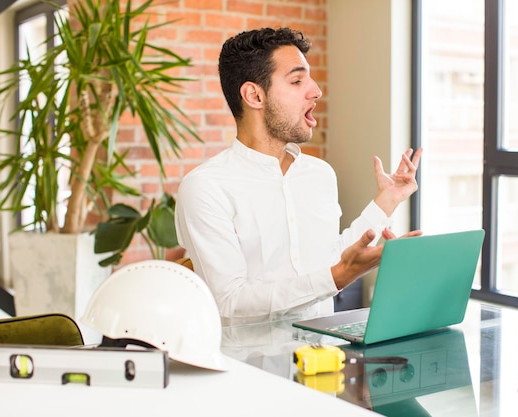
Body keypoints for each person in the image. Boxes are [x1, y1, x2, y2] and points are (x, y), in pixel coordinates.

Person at [175, 27, 422, 324]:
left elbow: (331, 262)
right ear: (254, 95)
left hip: (324, 359)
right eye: (296, 80)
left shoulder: (320, 175)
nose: (316, 91)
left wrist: (386, 202)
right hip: (249, 367)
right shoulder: (206, 187)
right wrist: (335, 277)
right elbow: (231, 299)